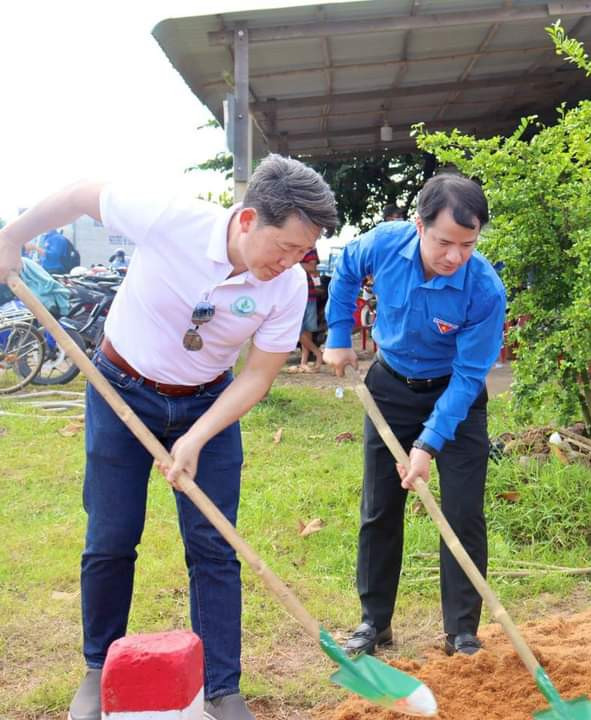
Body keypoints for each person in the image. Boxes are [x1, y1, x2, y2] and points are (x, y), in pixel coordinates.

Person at [0, 154, 338, 720]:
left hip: (208, 401)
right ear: (248, 219)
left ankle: (222, 688)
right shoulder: (170, 217)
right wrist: (12, 237)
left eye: (301, 252)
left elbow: (257, 375)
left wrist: (198, 436)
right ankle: (98, 668)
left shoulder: (286, 287)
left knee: (214, 544)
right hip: (121, 389)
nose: (289, 263)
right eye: (284, 247)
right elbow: (82, 192)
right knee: (111, 536)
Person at [323, 174, 506, 658]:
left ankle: (461, 631)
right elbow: (345, 271)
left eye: (468, 244)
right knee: (380, 506)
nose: (455, 256)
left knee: (462, 513)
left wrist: (427, 444)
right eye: (445, 242)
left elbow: (469, 376)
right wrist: (338, 335)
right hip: (390, 387)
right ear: (419, 226)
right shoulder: (384, 244)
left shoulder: (484, 289)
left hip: (456, 398)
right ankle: (374, 622)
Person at [294, 248, 323, 372]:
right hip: (297, 294)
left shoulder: (309, 250)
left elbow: (312, 268)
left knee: (306, 329)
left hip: (306, 293)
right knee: (299, 329)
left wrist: (294, 264)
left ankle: (304, 362)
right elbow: (312, 268)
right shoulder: (300, 249)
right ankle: (317, 353)